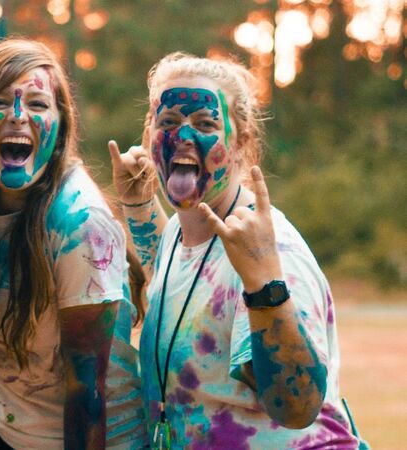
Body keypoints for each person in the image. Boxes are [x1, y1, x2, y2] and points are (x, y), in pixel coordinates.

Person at [109, 52, 365, 448]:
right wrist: (138, 205)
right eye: (169, 123)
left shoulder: (270, 251)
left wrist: (264, 284)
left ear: (241, 142)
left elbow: (296, 408)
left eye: (206, 123)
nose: (183, 136)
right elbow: (182, 291)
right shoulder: (181, 232)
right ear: (149, 136)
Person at [0, 40, 147, 449]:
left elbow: (88, 391)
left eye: (38, 105)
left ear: (60, 130)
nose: (18, 116)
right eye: (0, 102)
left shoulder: (79, 225)